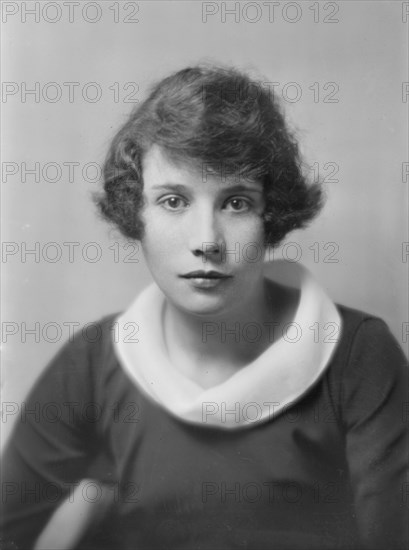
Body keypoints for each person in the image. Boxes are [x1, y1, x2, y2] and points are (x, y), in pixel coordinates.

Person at [1, 64, 408, 550]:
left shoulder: (358, 356)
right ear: (136, 214)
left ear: (271, 216)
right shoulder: (94, 362)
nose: (206, 242)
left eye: (235, 203)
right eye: (173, 201)